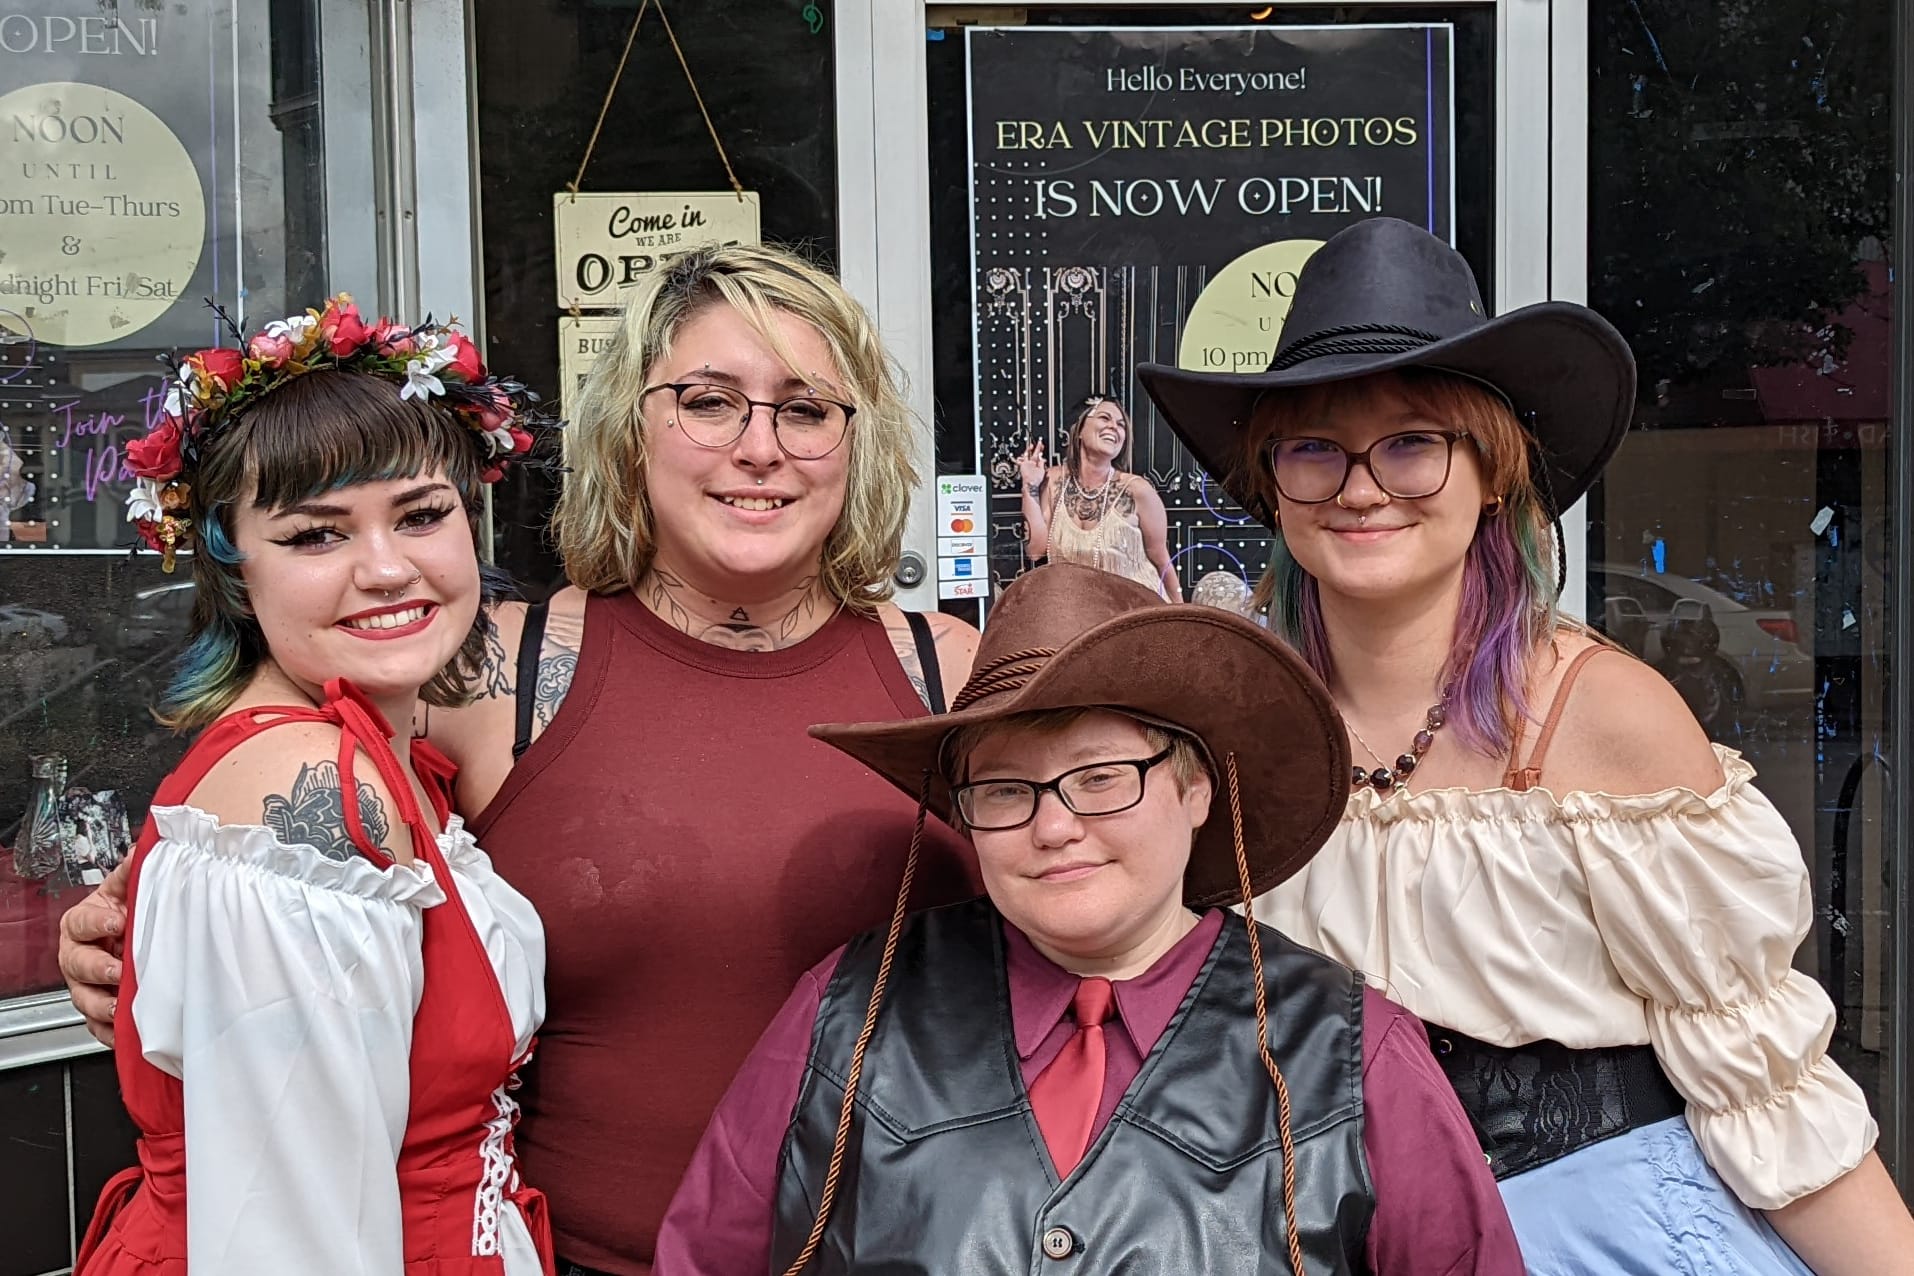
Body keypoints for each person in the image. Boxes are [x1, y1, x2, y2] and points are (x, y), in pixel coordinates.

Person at [61, 245, 983, 1276]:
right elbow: (255, 814)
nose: (759, 447)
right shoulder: (480, 668)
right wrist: (118, 925)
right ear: (627, 429)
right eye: (709, 402)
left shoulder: (960, 677)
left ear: (858, 441)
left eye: (806, 409)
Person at [1138, 216, 1914, 1274]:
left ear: (1493, 472)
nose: (1360, 486)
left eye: (1412, 443)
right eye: (1313, 446)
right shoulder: (1231, 727)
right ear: (1273, 484)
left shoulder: (1605, 719)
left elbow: (1764, 1086)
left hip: (1597, 1240)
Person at [655, 563, 1524, 1275]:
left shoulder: (1349, 1051)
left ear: (1194, 790)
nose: (1054, 826)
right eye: (1006, 789)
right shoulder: (845, 1012)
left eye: (1101, 776)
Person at [76, 298, 552, 1274]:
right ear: (233, 568)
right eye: (314, 535)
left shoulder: (383, 755)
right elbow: (285, 1239)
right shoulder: (304, 793)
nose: (386, 568)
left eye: (421, 515)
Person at [1015, 395, 1183, 600]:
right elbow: (1035, 550)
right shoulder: (1052, 481)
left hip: (1137, 609)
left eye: (1121, 425)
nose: (1114, 427)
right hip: (1076, 609)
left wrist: (1181, 613)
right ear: (1079, 430)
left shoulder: (1138, 490)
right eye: (1105, 418)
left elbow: (1162, 560)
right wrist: (1030, 486)